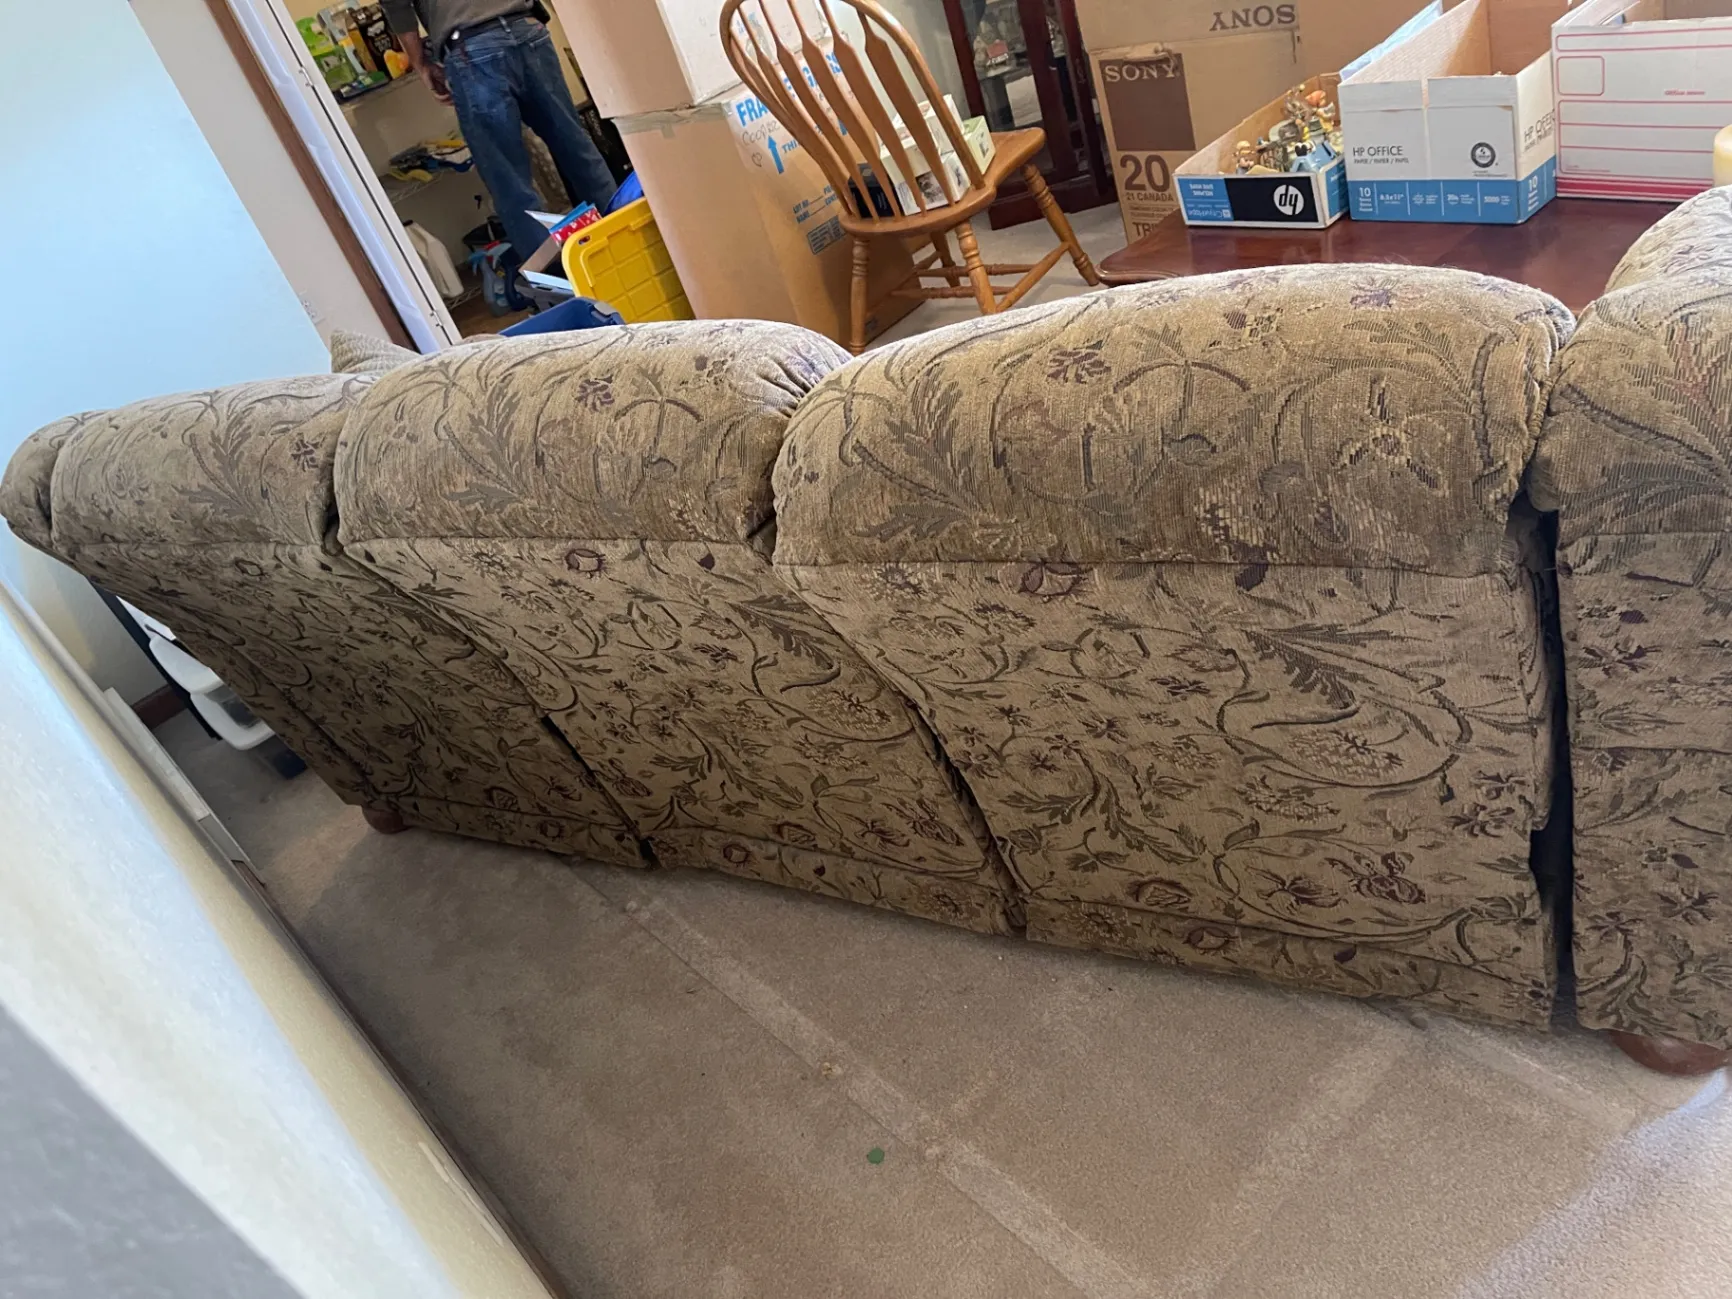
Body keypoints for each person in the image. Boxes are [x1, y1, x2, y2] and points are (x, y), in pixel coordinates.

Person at [380, 0, 618, 268]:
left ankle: (559, 281)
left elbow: (397, 5)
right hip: (526, 27)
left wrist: (420, 63)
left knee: (509, 180)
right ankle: (628, 244)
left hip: (472, 47)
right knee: (578, 151)